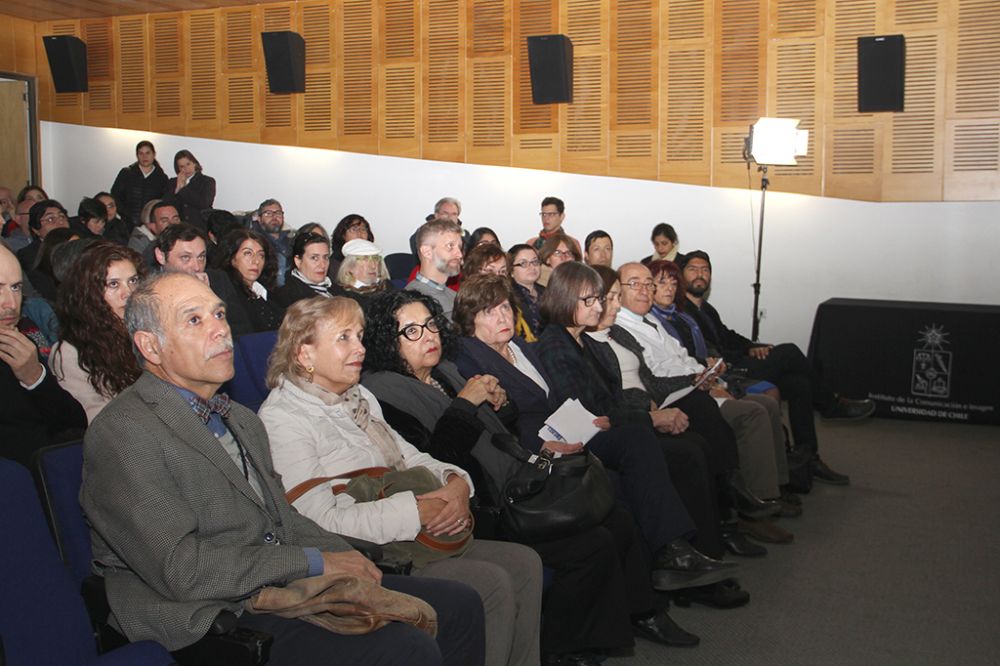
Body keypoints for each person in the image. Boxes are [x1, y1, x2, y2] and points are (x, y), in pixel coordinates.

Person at [80, 271, 486, 664]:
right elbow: (183, 570)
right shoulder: (124, 432)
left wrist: (348, 555)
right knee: (404, 647)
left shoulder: (239, 417)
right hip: (210, 613)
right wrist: (315, 561)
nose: (220, 330)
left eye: (220, 314)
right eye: (194, 319)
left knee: (460, 606)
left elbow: (283, 518)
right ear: (151, 347)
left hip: (272, 578)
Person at [259, 295, 542, 666]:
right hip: (375, 550)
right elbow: (317, 521)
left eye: (359, 336)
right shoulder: (283, 418)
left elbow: (411, 457)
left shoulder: (357, 397)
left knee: (525, 564)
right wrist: (417, 511)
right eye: (343, 338)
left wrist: (457, 482)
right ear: (304, 354)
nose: (360, 348)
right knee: (491, 583)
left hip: (415, 528)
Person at [450, 276, 707, 656]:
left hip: (566, 433)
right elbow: (494, 430)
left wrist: (584, 424)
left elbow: (555, 399)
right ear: (471, 320)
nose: (502, 316)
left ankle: (649, 598)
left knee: (625, 480)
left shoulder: (520, 346)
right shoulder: (469, 359)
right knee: (620, 486)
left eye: (506, 307)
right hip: (532, 457)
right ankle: (647, 600)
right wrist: (544, 447)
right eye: (490, 311)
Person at [527, 262, 740, 593]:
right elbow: (587, 411)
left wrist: (638, 415)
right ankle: (673, 551)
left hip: (606, 428)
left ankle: (689, 551)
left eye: (600, 299)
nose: (598, 307)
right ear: (566, 299)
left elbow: (610, 403)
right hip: (581, 437)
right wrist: (647, 417)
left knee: (684, 449)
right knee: (640, 439)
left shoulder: (583, 341)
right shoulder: (555, 343)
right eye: (590, 301)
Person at [598, 263, 794, 550]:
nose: (645, 290)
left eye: (648, 283)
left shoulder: (651, 321)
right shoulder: (618, 328)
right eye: (634, 285)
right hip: (671, 397)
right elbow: (647, 379)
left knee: (765, 401)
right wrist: (695, 380)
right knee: (748, 412)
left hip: (688, 388)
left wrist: (705, 372)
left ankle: (767, 494)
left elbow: (682, 356)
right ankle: (737, 507)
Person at [680, 251, 874, 485]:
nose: (700, 275)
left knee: (800, 385)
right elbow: (709, 351)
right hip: (726, 371)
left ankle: (807, 458)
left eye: (705, 270)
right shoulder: (682, 312)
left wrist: (753, 346)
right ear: (682, 275)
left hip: (736, 362)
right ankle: (830, 405)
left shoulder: (706, 309)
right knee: (789, 351)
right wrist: (740, 355)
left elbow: (728, 336)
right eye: (693, 269)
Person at [0, 243, 86, 465]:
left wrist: (34, 377)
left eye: (16, 288)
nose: (10, 303)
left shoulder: (20, 342)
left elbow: (74, 420)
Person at [50, 242, 145, 423]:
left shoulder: (149, 330)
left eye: (133, 281)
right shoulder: (71, 352)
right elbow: (97, 422)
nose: (129, 293)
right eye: (114, 284)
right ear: (90, 292)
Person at [213, 228, 285, 333]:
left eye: (261, 255)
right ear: (232, 258)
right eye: (248, 253)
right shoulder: (227, 293)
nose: (256, 261)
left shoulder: (267, 292)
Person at [408, 218, 464, 319]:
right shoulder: (412, 302)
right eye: (450, 246)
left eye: (459, 247)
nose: (459, 254)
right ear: (427, 252)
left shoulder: (455, 296)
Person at [110, 140, 170, 231]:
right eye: (141, 153)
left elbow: (163, 202)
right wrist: (126, 215)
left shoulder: (162, 178)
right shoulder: (126, 173)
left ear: (154, 154)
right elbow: (115, 196)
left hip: (151, 226)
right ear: (137, 155)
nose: (144, 156)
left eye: (147, 153)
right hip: (127, 225)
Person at [272, 232, 342, 309]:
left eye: (325, 257)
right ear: (298, 261)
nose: (322, 265)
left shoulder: (337, 290)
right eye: (314, 258)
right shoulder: (286, 297)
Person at [166, 149, 216, 229]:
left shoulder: (207, 181)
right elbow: (166, 204)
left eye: (188, 164)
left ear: (194, 163)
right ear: (178, 168)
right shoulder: (173, 182)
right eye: (182, 166)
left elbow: (204, 203)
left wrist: (183, 189)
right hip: (179, 227)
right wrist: (177, 189)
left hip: (200, 226)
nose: (186, 169)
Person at [335, 238, 394, 305]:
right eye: (365, 259)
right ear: (350, 266)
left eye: (375, 258)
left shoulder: (386, 286)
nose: (373, 266)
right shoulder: (342, 295)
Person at [18, 199, 70, 273]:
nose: (60, 222)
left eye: (62, 216)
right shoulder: (29, 255)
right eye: (50, 219)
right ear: (36, 230)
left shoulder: (77, 246)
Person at [251, 199, 294, 286]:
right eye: (268, 213)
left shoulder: (292, 239)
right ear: (259, 219)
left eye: (278, 213)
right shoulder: (254, 241)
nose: (274, 217)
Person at [508, 244, 544, 340]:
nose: (532, 267)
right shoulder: (508, 297)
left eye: (535, 262)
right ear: (511, 271)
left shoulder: (547, 292)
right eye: (523, 263)